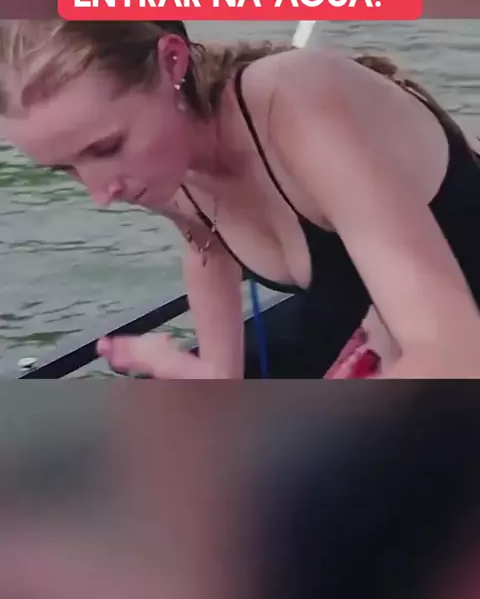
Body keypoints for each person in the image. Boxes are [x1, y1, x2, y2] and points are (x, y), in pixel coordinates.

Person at [1, 19, 480, 379]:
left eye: (106, 148)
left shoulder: (297, 105)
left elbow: (454, 354)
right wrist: (213, 376)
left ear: (172, 62)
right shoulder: (162, 166)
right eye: (65, 168)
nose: (101, 193)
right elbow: (203, 243)